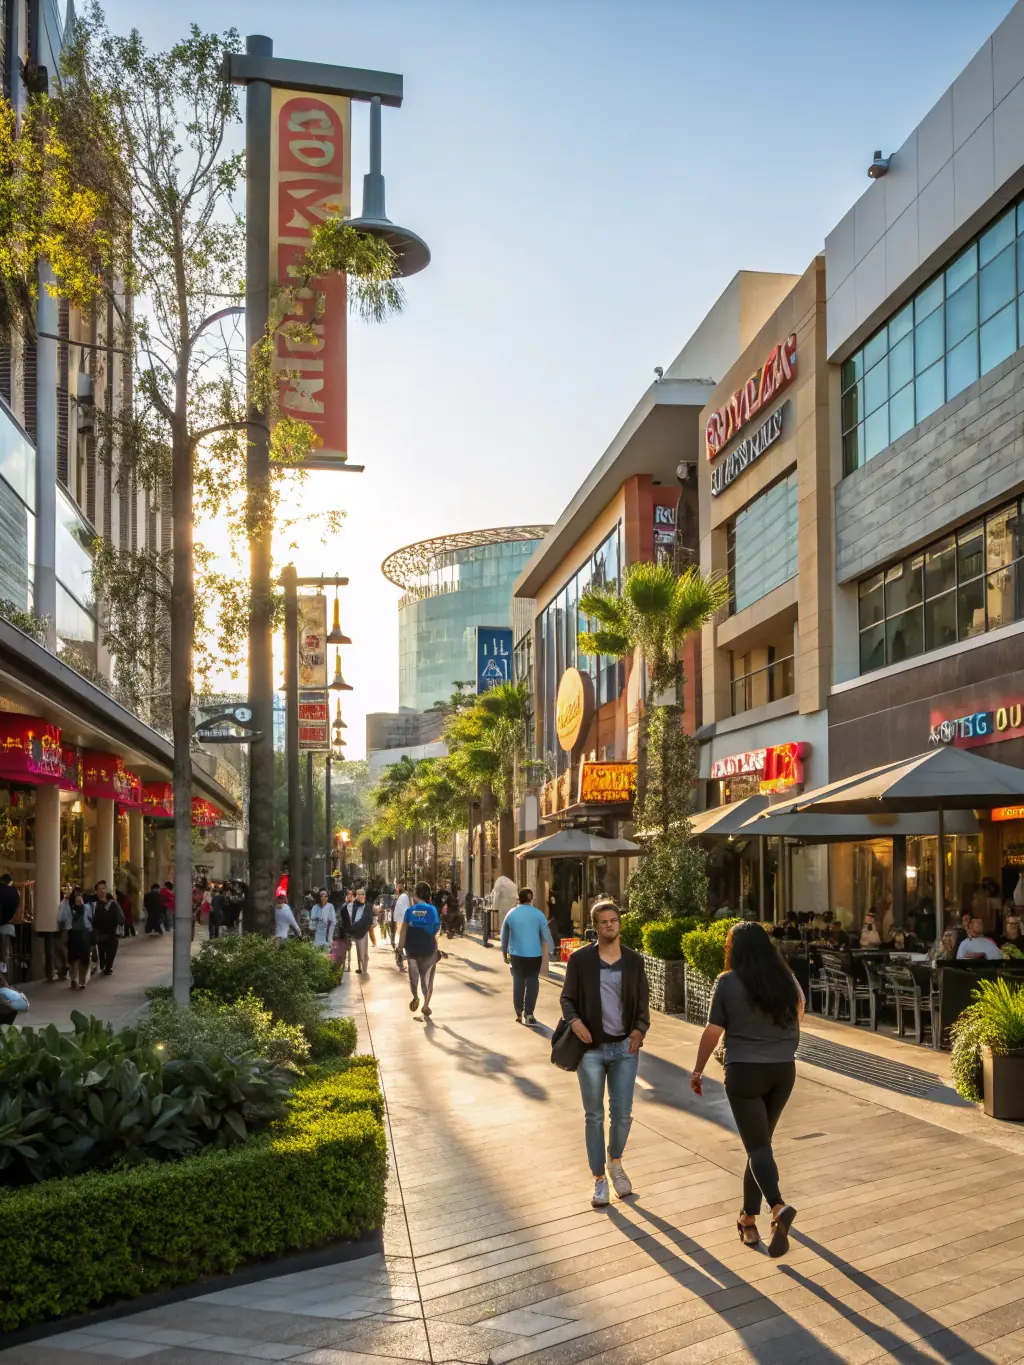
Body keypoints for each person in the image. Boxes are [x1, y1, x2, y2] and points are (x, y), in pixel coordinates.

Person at [690, 921, 802, 1258]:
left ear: (734, 949)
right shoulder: (785, 978)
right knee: (760, 1146)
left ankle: (778, 1207)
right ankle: (748, 1218)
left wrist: (697, 1069)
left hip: (745, 1072)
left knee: (758, 1146)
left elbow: (713, 1031)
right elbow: (800, 1008)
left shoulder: (728, 982)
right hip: (783, 1070)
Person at [560, 900, 649, 1209]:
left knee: (622, 1113)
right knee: (594, 1115)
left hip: (625, 1048)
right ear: (595, 927)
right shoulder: (581, 960)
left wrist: (640, 1030)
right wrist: (575, 1023)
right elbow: (567, 999)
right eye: (604, 921)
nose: (610, 925)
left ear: (619, 924)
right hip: (591, 1051)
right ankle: (599, 1178)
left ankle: (616, 1162)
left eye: (614, 920)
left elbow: (643, 1002)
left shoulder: (634, 961)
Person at [500, 888, 554, 1024]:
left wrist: (504, 952)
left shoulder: (511, 914)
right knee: (532, 982)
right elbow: (546, 933)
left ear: (519, 898)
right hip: (535, 955)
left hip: (516, 955)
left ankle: (518, 1013)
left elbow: (504, 935)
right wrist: (551, 950)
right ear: (531, 899)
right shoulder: (538, 914)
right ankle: (529, 1014)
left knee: (518, 982)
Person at [399, 881, 441, 1018]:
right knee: (428, 978)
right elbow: (436, 929)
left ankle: (415, 996)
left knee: (413, 976)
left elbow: (403, 931)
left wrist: (399, 948)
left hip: (411, 950)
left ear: (415, 895)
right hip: (428, 950)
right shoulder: (432, 910)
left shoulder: (409, 911)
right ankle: (425, 1005)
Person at [63, 888, 93, 990]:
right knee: (73, 959)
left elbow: (91, 918)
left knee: (84, 959)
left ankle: (82, 981)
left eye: (81, 900)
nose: (79, 901)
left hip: (84, 934)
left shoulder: (87, 908)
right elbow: (63, 918)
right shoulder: (69, 908)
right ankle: (73, 979)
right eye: (77, 900)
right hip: (73, 934)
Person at [341, 887, 376, 974]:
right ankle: (360, 967)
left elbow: (373, 918)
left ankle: (364, 968)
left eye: (361, 894)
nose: (359, 896)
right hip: (355, 930)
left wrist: (371, 923)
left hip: (363, 931)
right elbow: (345, 911)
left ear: (364, 896)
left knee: (363, 951)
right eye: (358, 894)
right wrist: (347, 902)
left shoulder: (368, 906)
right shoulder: (353, 905)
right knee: (358, 950)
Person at [93, 887, 124, 975]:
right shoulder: (115, 905)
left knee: (101, 949)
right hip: (112, 932)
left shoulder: (97, 905)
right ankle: (108, 967)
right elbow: (121, 919)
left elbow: (93, 918)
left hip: (100, 932)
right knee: (111, 950)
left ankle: (103, 964)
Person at [0, 871, 21, 983]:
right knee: (5, 955)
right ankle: (6, 980)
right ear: (10, 881)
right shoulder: (14, 892)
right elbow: (18, 911)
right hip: (8, 927)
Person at [392, 882, 410, 962]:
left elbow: (404, 909)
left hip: (402, 920)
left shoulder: (403, 897)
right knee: (400, 937)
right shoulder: (401, 896)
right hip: (400, 920)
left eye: (397, 888)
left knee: (401, 937)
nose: (396, 890)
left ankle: (402, 954)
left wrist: (404, 920)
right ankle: (401, 954)